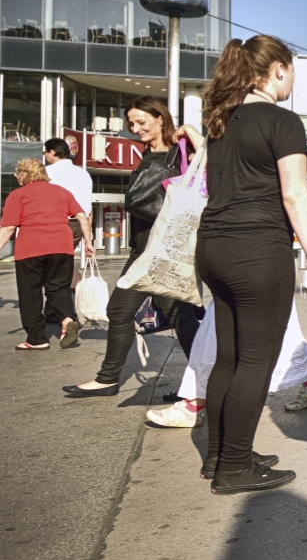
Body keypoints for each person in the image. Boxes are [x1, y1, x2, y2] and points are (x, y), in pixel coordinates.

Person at [180, 34, 307, 496]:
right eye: (293, 73)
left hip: (214, 248)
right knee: (256, 362)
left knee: (230, 357)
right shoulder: (282, 121)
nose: (293, 83)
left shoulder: (221, 120)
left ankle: (222, 456)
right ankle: (235, 468)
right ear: (278, 69)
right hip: (258, 250)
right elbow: (294, 192)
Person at [63, 98, 201, 397]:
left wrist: (190, 131)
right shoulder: (148, 153)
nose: (135, 129)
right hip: (143, 250)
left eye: (141, 122)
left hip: (164, 250)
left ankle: (202, 384)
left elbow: (215, 163)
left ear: (160, 119)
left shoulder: (180, 152)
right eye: (131, 124)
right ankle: (110, 379)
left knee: (174, 316)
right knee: (132, 312)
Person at [146, 298, 307, 443]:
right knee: (274, 329)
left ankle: (194, 406)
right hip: (248, 267)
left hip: (248, 265)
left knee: (219, 333)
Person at [0, 159, 94, 351]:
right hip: (62, 247)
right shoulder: (61, 191)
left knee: (31, 294)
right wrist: (88, 242)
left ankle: (37, 339)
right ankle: (67, 319)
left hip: (30, 249)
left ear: (22, 175)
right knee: (58, 288)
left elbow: (8, 227)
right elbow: (82, 216)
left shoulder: (18, 195)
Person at [42, 137, 93, 252]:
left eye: (45, 152)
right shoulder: (83, 174)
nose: (45, 155)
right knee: (64, 260)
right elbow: (88, 206)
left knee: (53, 263)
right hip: (78, 226)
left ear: (52, 152)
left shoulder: (46, 172)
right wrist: (88, 234)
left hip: (56, 224)